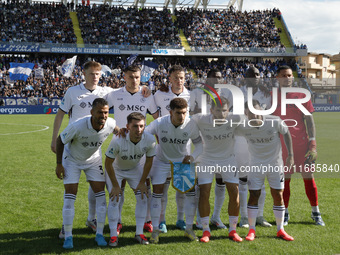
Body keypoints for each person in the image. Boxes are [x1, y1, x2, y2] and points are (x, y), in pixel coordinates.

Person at [51, 61, 114, 239]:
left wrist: (145, 89)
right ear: (84, 74)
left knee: (96, 186)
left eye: (97, 74)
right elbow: (60, 114)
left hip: (94, 147)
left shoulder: (106, 92)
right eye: (91, 74)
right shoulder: (72, 91)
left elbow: (127, 92)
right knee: (70, 188)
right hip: (73, 145)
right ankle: (66, 225)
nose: (95, 77)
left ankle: (92, 218)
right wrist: (54, 139)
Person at [55, 98, 119, 249]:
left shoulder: (110, 122)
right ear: (91, 112)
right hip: (71, 160)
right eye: (99, 112)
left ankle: (100, 235)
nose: (103, 116)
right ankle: (68, 236)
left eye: (105, 112)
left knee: (101, 197)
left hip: (93, 160)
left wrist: (126, 133)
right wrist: (59, 165)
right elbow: (60, 141)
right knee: (71, 195)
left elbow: (118, 130)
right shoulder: (78, 126)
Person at [105, 64, 159, 235]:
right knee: (118, 187)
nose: (134, 80)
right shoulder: (114, 95)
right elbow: (101, 113)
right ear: (124, 77)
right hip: (120, 145)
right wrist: (114, 128)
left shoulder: (147, 95)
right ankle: (118, 221)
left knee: (145, 184)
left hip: (141, 146)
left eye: (137, 77)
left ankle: (147, 220)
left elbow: (157, 118)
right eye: (131, 77)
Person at [145, 98, 203, 243]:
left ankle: (189, 229)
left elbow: (199, 145)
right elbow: (145, 134)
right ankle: (156, 230)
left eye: (184, 112)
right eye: (178, 113)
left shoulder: (190, 124)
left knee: (190, 194)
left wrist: (193, 157)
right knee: (157, 193)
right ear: (171, 112)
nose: (182, 116)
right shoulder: (160, 123)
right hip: (161, 161)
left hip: (183, 162)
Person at [273, 65, 325, 226]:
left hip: (302, 144)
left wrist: (313, 144)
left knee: (309, 179)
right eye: (283, 75)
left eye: (289, 75)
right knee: (284, 181)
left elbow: (309, 121)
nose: (287, 78)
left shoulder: (301, 95)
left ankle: (316, 212)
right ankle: (285, 212)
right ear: (277, 78)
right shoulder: (272, 96)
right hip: (282, 146)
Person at [237, 100, 294, 241]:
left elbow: (286, 133)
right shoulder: (243, 126)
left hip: (275, 164)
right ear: (246, 113)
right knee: (254, 194)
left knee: (278, 195)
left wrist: (291, 155)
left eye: (256, 111)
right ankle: (252, 230)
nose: (254, 115)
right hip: (255, 164)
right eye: (250, 113)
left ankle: (280, 229)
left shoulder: (274, 121)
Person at [192, 96, 243, 243]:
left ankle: (232, 230)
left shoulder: (235, 118)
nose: (221, 114)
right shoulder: (200, 118)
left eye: (224, 110)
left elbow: (256, 120)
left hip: (228, 159)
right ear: (211, 110)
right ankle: (206, 230)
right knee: (204, 193)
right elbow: (183, 120)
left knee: (234, 191)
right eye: (218, 110)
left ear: (229, 111)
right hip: (206, 159)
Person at [105, 112, 157, 246]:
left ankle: (139, 233)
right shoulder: (117, 140)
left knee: (143, 197)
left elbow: (148, 162)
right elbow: (108, 163)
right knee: (114, 198)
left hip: (135, 169)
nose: (139, 130)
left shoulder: (150, 139)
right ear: (127, 126)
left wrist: (142, 182)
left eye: (141, 126)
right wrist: (116, 186)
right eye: (135, 126)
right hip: (116, 170)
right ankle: (113, 236)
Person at [190, 68, 232, 230]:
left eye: (220, 77)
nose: (217, 80)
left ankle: (216, 216)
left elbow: (228, 115)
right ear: (207, 78)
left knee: (221, 181)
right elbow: (190, 113)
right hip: (201, 143)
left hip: (220, 144)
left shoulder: (226, 95)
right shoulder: (196, 93)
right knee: (203, 183)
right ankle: (201, 218)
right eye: (214, 77)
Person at [153, 65, 191, 233]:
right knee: (164, 188)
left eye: (181, 77)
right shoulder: (159, 94)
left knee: (182, 188)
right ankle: (162, 220)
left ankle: (180, 219)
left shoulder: (191, 95)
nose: (179, 80)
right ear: (169, 78)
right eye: (175, 77)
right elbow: (153, 113)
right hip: (164, 147)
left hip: (184, 150)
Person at [236, 66, 272, 228]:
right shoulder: (236, 92)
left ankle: (259, 216)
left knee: (260, 182)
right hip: (242, 139)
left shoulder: (265, 94)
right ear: (245, 77)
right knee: (243, 181)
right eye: (252, 74)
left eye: (258, 74)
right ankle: (244, 217)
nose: (256, 77)